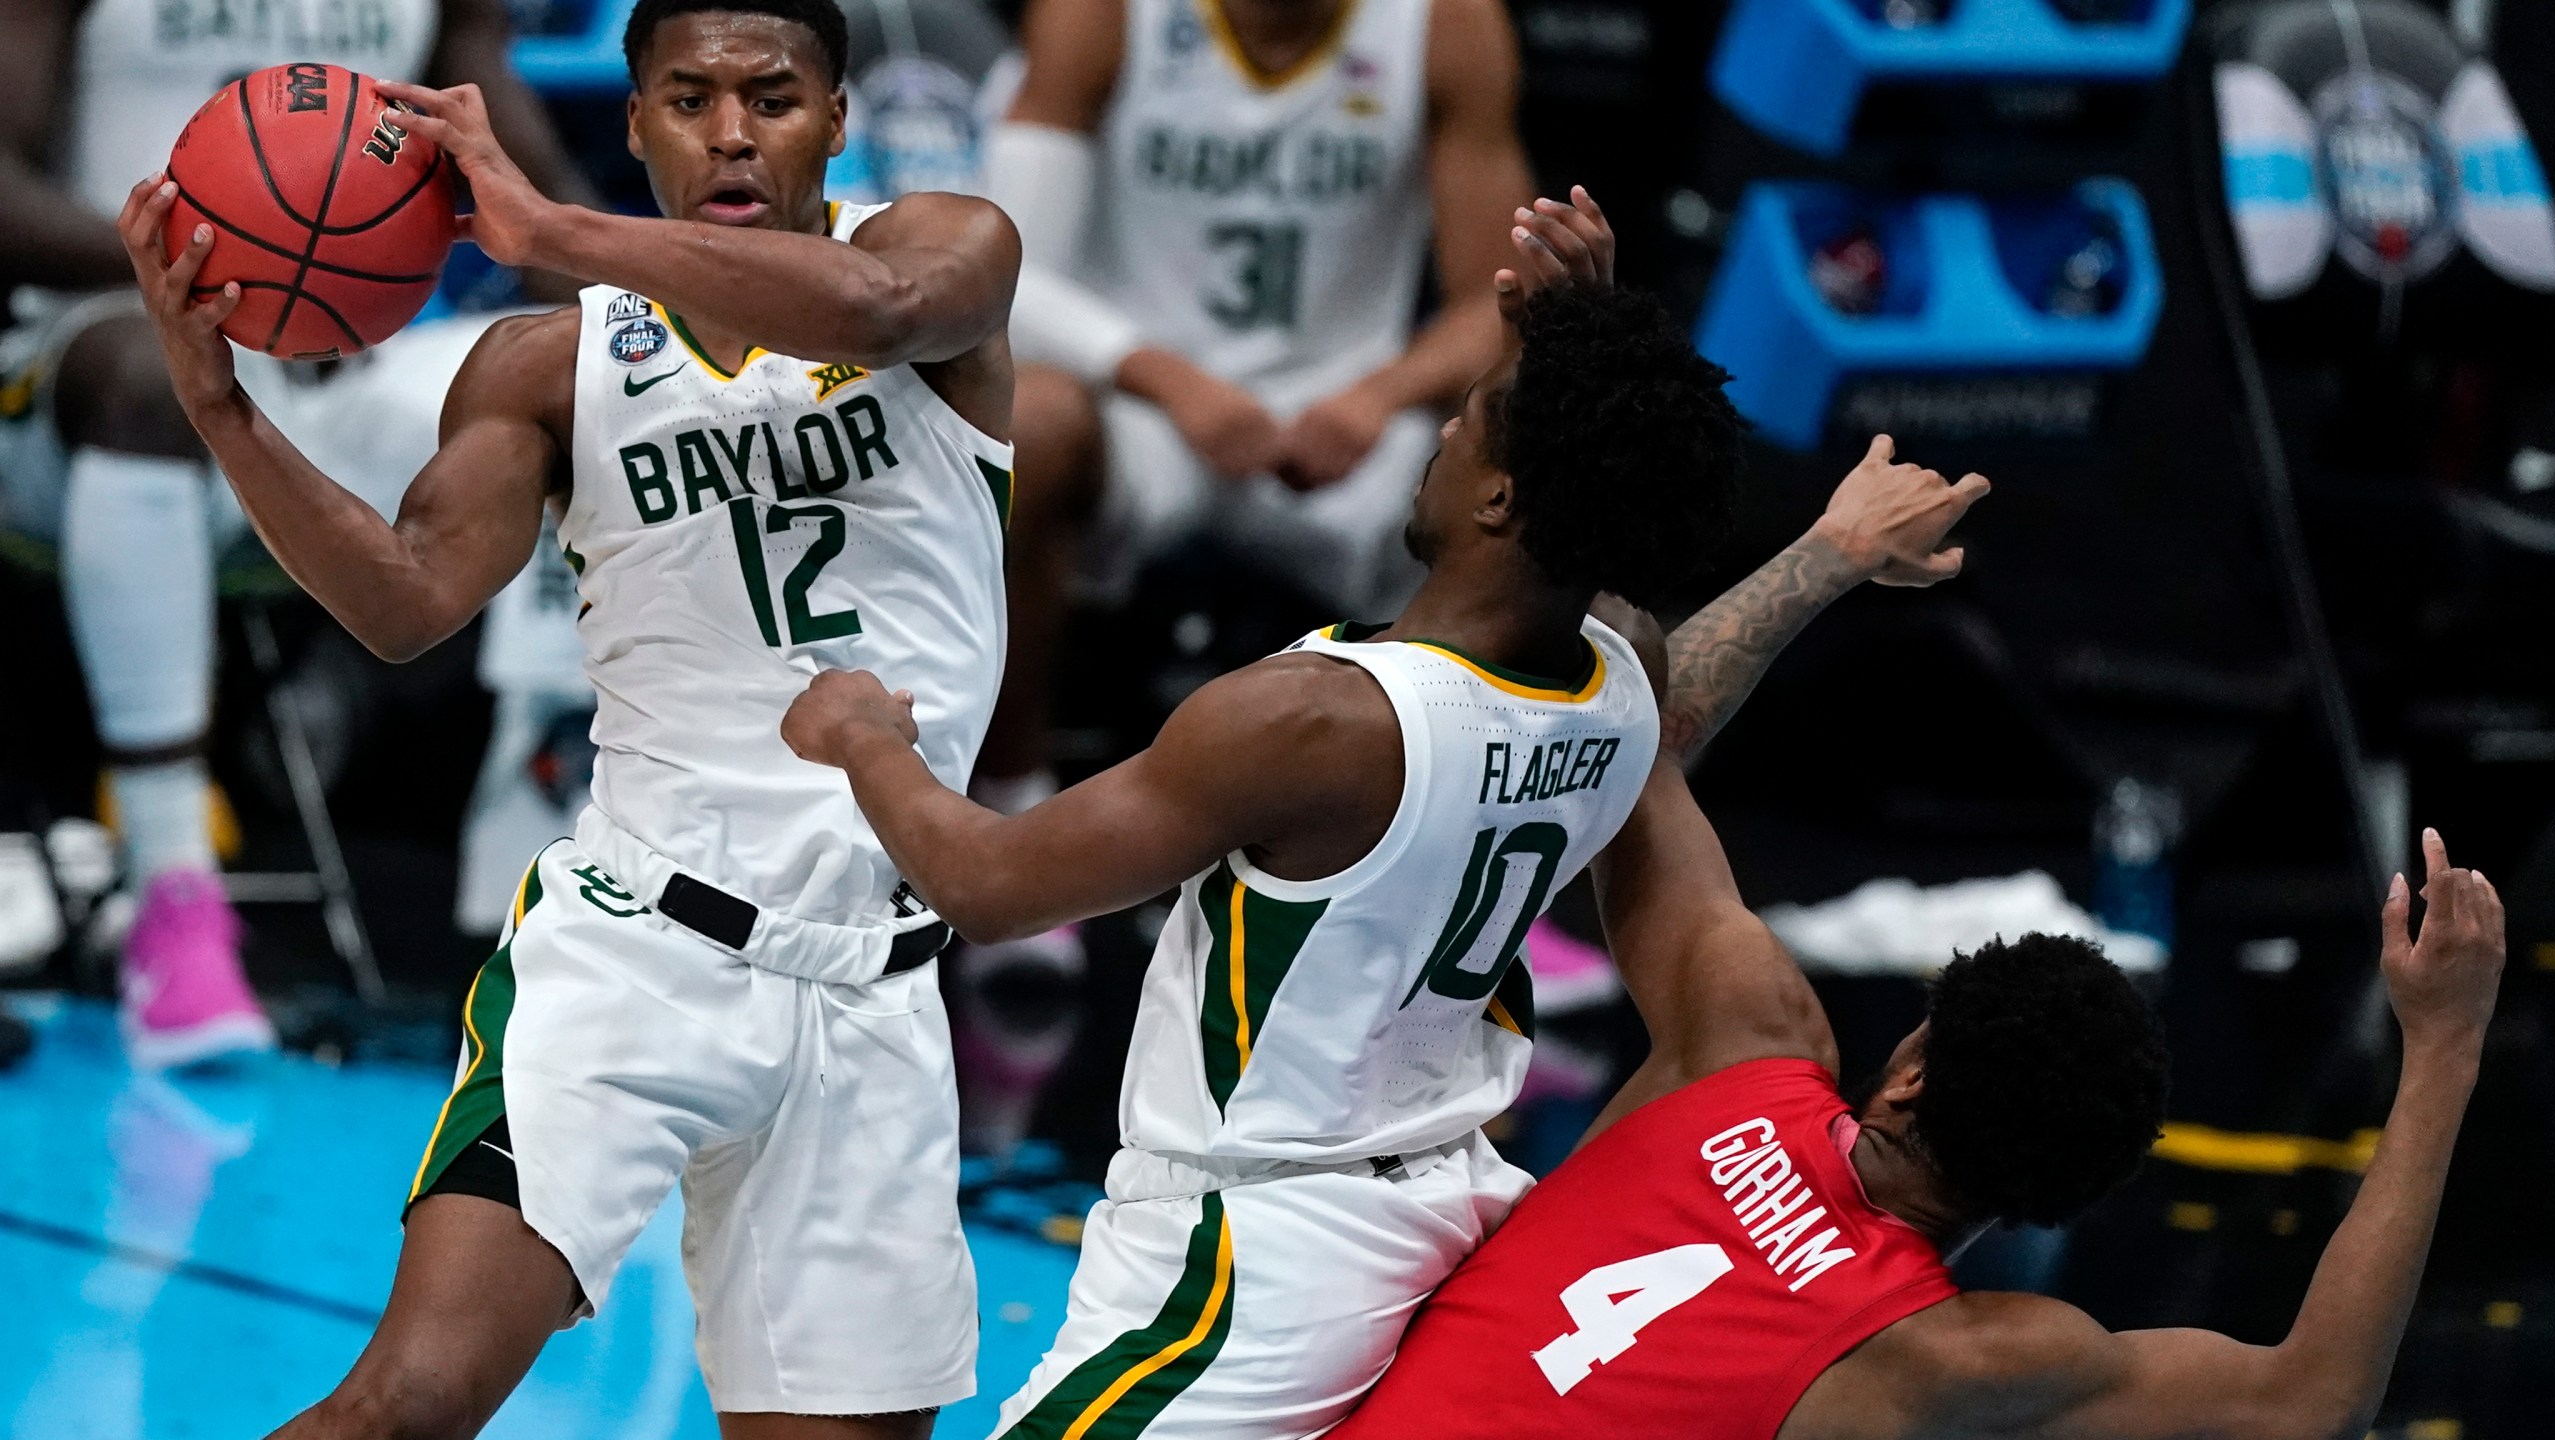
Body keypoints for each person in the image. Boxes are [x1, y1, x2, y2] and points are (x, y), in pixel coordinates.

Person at [118, 0, 1022, 1431]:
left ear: (839, 120)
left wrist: (551, 228)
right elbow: (407, 602)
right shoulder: (544, 364)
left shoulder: (945, 249)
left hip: (875, 985)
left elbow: (877, 317)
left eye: (773, 98)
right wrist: (222, 408)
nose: (731, 131)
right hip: (633, 956)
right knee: (408, 1401)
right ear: (636, 121)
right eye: (689, 97)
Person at [780, 189, 1717, 1438]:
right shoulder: (1622, 671)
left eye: (1473, 419)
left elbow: (991, 888)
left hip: (1250, 1258)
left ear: (1500, 502)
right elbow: (1593, 476)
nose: (1441, 430)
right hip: (1452, 1206)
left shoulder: (1313, 726)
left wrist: (865, 743)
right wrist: (1570, 335)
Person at [1332, 638, 2507, 1437]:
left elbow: (1633, 731)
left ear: (1905, 1074)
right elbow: (2313, 1399)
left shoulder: (1744, 1038)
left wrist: (1828, 556)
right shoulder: (1958, 1361)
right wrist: (2444, 1044)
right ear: (2055, 1201)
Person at [0, 0, 598, 1069]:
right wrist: (207, 273)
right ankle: (172, 896)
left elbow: (526, 169)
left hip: (342, 369)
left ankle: (565, 897)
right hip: (95, 359)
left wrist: (663, 337)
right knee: (151, 379)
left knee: (582, 384)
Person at [971, 0, 1536, 817]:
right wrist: (1171, 381)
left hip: (1344, 418)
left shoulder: (1447, 22)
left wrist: (1380, 395)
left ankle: (1481, 839)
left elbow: (1499, 297)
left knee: (1530, 455)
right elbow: (1007, 268)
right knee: (1031, 425)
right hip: (1147, 412)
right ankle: (1008, 809)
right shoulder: (1101, 13)